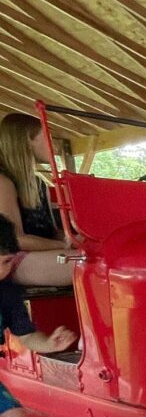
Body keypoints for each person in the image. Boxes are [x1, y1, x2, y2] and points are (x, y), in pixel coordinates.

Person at [0, 214, 77, 417]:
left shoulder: (6, 292)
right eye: (5, 261)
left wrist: (48, 343)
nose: (10, 268)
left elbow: (25, 334)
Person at [0, 113, 73, 287]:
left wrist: (74, 239)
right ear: (27, 140)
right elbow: (15, 239)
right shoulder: (3, 181)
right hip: (10, 259)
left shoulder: (38, 184)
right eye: (47, 137)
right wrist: (63, 245)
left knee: (103, 259)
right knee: (90, 268)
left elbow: (50, 231)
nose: (54, 145)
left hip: (40, 253)